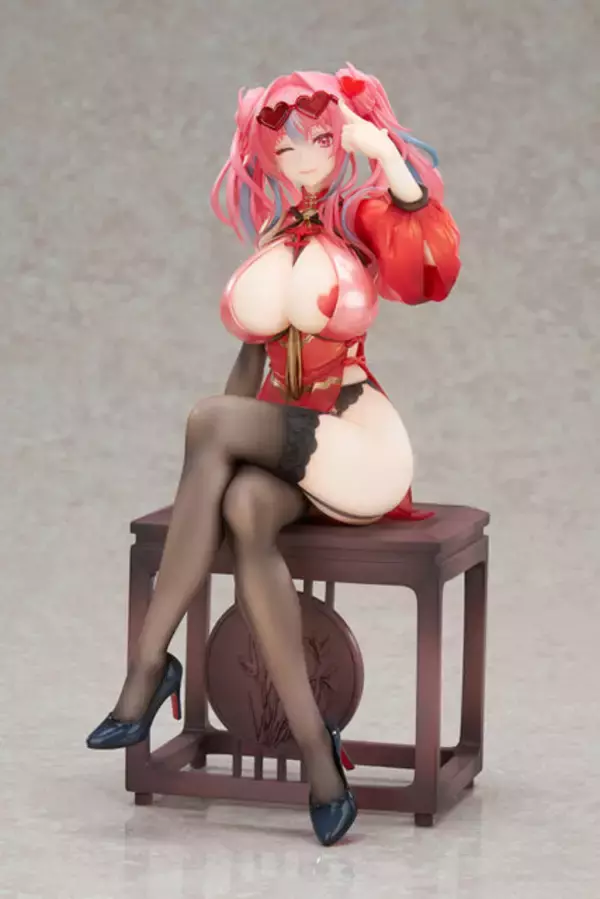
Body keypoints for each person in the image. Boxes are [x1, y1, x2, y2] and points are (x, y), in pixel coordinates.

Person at [87, 63, 461, 847]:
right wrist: (213, 466)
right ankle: (320, 756)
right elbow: (251, 364)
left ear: (341, 143)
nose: (304, 157)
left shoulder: (360, 218)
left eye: (321, 140)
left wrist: (386, 156)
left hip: (354, 438)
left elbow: (430, 265)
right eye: (286, 146)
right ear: (266, 155)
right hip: (284, 445)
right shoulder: (271, 235)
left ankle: (146, 670)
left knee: (208, 419)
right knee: (242, 504)